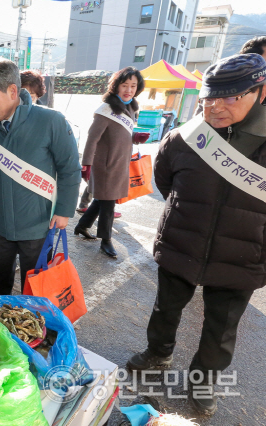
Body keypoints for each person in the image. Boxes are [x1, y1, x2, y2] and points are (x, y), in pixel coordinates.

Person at [127, 54, 266, 416]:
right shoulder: (186, 137)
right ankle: (158, 353)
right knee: (165, 308)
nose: (215, 106)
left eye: (231, 97)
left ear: (261, 92)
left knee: (221, 329)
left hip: (243, 254)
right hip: (182, 243)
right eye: (208, 97)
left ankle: (203, 384)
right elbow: (165, 179)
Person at [0, 58, 81, 295]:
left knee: (34, 287)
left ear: (12, 91)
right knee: (1, 281)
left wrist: (64, 210)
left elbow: (69, 168)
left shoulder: (51, 121)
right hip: (1, 225)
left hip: (38, 224)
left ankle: (37, 328)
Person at [74, 67, 149, 259]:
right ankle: (106, 241)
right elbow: (92, 139)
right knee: (109, 203)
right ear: (116, 86)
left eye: (133, 86)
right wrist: (87, 164)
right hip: (104, 165)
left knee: (103, 199)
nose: (129, 90)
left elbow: (121, 134)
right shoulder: (105, 110)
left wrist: (135, 137)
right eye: (125, 85)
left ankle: (82, 226)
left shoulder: (131, 107)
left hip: (120, 162)